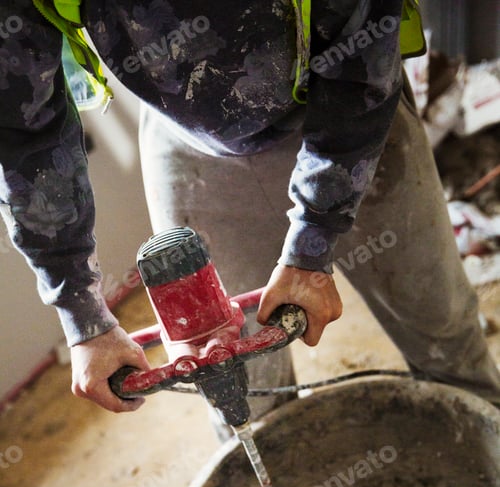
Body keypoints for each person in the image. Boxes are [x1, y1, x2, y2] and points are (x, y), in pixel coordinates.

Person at [1, 0, 499, 419]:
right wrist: (82, 317)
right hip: (187, 139)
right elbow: (24, 136)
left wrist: (314, 240)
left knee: (445, 340)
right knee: (237, 395)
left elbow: (360, 54)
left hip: (344, 113)